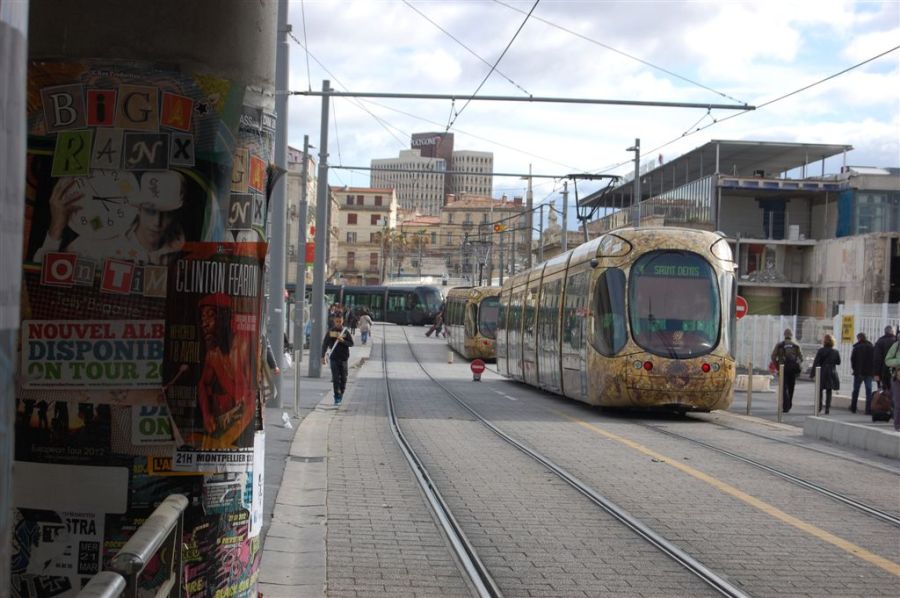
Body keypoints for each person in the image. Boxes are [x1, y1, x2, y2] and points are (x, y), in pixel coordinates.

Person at [34, 170, 185, 265]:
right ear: (138, 208)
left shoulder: (183, 249)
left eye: (167, 214)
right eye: (150, 211)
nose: (157, 222)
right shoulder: (95, 245)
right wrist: (56, 230)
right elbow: (38, 275)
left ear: (176, 215)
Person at [197, 293, 253, 439]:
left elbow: (249, 393)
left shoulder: (243, 345)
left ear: (224, 318)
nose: (205, 323)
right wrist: (206, 414)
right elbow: (202, 384)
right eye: (203, 318)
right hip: (225, 425)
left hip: (243, 424)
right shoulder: (213, 354)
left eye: (210, 316)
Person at [321, 313, 354, 405]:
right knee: (335, 378)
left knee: (343, 378)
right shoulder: (331, 332)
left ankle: (341, 392)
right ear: (334, 321)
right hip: (334, 358)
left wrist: (343, 341)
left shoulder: (345, 332)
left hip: (344, 358)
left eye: (340, 321)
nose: (338, 323)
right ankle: (337, 396)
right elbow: (325, 344)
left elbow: (351, 343)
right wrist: (322, 356)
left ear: (342, 321)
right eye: (337, 321)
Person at [770, 328, 803, 413]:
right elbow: (801, 358)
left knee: (784, 388)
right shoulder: (796, 345)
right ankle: (789, 404)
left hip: (783, 368)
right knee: (791, 387)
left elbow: (773, 356)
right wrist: (796, 365)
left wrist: (777, 365)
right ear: (791, 335)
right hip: (792, 370)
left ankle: (785, 405)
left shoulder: (780, 345)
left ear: (784, 335)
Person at [810, 334, 841, 415]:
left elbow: (816, 362)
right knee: (829, 390)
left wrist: (812, 373)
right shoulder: (835, 351)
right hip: (831, 372)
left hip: (822, 371)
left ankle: (819, 407)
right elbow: (838, 362)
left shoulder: (821, 351)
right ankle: (827, 408)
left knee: (820, 390)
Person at [849, 332, 875, 414]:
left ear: (859, 338)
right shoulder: (871, 347)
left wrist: (855, 369)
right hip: (869, 373)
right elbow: (874, 360)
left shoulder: (856, 347)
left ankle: (853, 408)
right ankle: (868, 410)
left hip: (858, 373)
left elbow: (852, 360)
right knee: (868, 391)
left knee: (856, 390)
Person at [873, 325, 897, 392]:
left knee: (884, 392)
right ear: (892, 332)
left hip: (884, 371)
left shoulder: (880, 342)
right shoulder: (897, 341)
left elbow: (877, 359)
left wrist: (876, 373)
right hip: (896, 371)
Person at [883, 339, 900, 431]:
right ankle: (898, 425)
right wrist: (898, 361)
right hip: (897, 378)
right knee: (898, 403)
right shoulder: (896, 346)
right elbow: (887, 360)